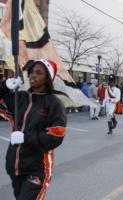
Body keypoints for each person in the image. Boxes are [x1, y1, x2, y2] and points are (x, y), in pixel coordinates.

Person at [0, 59, 67, 200]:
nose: (33, 76)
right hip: (15, 168)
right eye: (31, 72)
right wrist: (4, 86)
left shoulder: (53, 103)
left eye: (39, 73)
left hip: (37, 168)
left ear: (48, 78)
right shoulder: (20, 98)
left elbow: (56, 135)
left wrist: (25, 138)